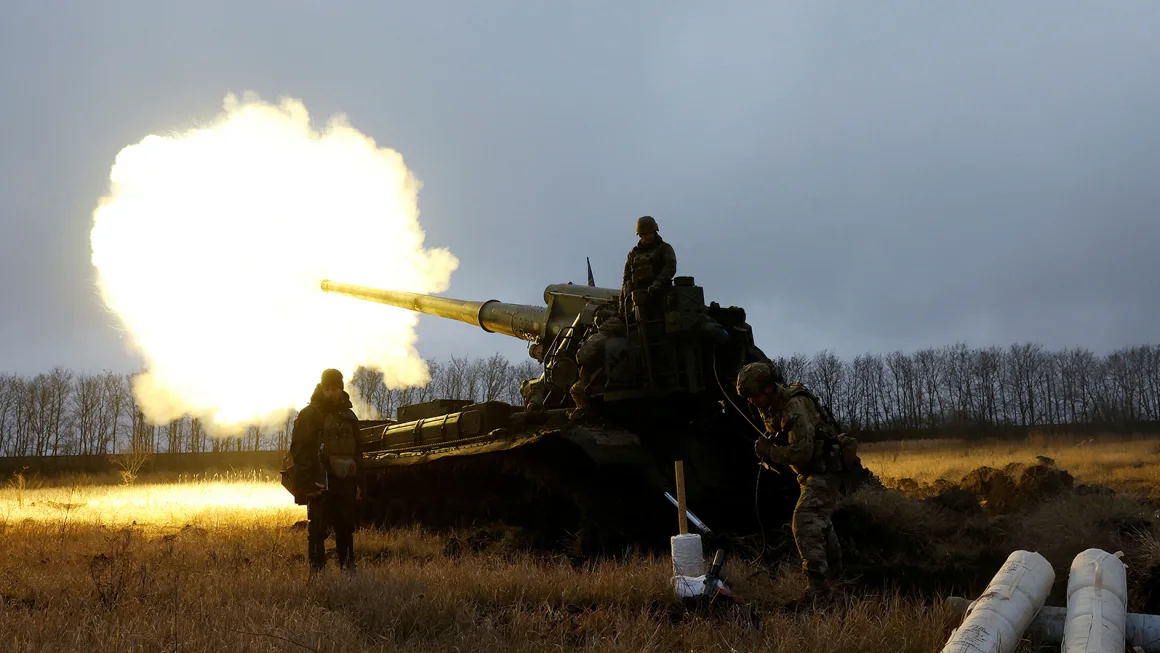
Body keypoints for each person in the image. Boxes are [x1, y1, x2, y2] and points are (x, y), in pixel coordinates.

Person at [734, 362, 864, 600]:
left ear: (770, 388)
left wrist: (769, 452)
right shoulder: (772, 405)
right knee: (821, 522)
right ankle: (838, 576)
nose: (752, 402)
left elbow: (802, 452)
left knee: (805, 518)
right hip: (810, 472)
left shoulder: (793, 405)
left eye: (755, 396)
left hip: (826, 471)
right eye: (749, 398)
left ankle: (818, 589)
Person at [288, 368, 364, 574]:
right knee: (318, 529)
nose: (331, 393)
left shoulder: (349, 416)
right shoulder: (310, 414)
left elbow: (358, 451)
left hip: (345, 481)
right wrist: (307, 482)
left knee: (346, 528)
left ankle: (349, 571)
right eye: (328, 389)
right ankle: (317, 573)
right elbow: (300, 450)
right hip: (320, 480)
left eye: (335, 388)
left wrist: (358, 483)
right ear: (322, 388)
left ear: (341, 388)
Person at [568, 313, 626, 420]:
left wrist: (581, 347)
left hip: (602, 379)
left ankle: (586, 413)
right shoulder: (625, 332)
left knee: (575, 390)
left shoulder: (599, 337)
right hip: (623, 376)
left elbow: (582, 358)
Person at [621, 215, 677, 316]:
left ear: (655, 232)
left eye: (650, 233)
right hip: (638, 299)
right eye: (644, 234)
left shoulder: (664, 248)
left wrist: (658, 282)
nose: (648, 236)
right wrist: (622, 306)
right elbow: (626, 280)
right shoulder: (633, 254)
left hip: (660, 295)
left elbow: (670, 266)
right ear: (640, 235)